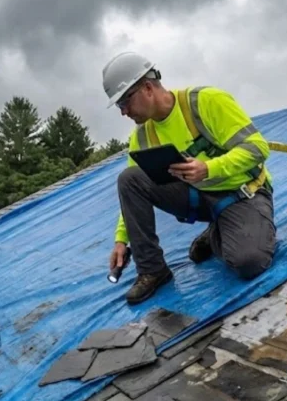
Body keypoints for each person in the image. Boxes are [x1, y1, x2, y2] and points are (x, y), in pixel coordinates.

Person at [102, 51, 277, 304]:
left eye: (123, 103)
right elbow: (131, 191)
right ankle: (153, 270)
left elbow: (258, 148)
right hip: (198, 197)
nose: (123, 112)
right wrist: (121, 240)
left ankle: (220, 232)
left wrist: (209, 168)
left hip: (242, 194)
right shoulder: (140, 138)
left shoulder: (206, 102)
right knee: (129, 178)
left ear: (147, 88)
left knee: (249, 263)